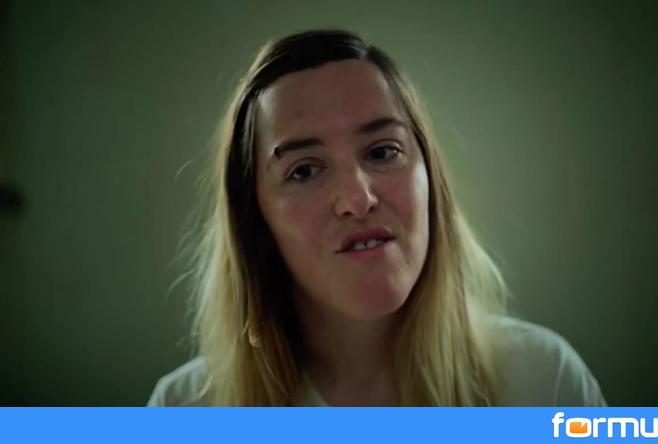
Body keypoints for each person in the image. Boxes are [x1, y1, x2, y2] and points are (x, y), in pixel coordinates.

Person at [147, 30, 606, 406]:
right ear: (255, 219)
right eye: (304, 171)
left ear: (431, 179)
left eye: (383, 152)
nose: (358, 199)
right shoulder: (183, 411)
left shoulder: (545, 383)